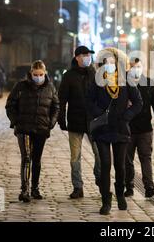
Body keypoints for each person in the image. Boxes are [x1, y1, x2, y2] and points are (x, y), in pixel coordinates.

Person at [86, 48, 143, 215]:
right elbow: (88, 101)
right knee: (105, 165)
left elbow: (138, 102)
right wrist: (98, 113)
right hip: (102, 128)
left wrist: (127, 116)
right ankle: (106, 199)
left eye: (112, 62)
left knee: (120, 165)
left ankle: (120, 194)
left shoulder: (126, 80)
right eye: (106, 63)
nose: (109, 65)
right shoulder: (97, 81)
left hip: (120, 128)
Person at [5, 60, 60, 202]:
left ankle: (35, 188)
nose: (38, 77)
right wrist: (16, 121)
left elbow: (56, 106)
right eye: (36, 74)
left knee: (37, 159)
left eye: (41, 74)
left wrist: (51, 123)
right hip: (24, 128)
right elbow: (10, 104)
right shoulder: (21, 86)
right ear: (31, 73)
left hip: (41, 128)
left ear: (45, 73)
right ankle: (24, 190)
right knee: (27, 157)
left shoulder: (50, 88)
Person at [58, 46, 101, 199]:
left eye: (89, 55)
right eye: (84, 55)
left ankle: (100, 179)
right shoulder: (69, 76)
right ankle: (78, 187)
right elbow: (62, 99)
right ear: (77, 57)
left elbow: (100, 97)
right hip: (75, 120)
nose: (88, 57)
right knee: (75, 156)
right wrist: (61, 118)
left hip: (93, 121)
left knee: (99, 153)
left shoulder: (94, 74)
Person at [124, 58, 154, 198]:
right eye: (134, 67)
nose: (137, 69)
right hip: (127, 127)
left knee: (146, 157)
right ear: (129, 68)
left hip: (145, 128)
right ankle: (128, 186)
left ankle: (149, 187)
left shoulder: (148, 83)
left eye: (139, 66)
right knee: (127, 159)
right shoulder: (123, 83)